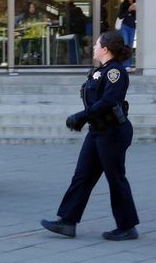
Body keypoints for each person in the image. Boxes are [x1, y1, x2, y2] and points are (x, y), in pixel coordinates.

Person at [40, 30, 139, 241]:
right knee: (82, 176)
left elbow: (108, 102)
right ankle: (67, 222)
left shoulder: (116, 73)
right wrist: (86, 119)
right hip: (97, 130)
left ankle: (127, 226)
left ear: (105, 49)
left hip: (113, 133)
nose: (93, 47)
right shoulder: (100, 71)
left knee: (116, 179)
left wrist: (81, 116)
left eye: (96, 45)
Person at [116, 0, 136, 70]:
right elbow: (120, 16)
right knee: (125, 44)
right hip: (124, 26)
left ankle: (129, 65)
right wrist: (129, 10)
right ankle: (124, 65)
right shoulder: (124, 5)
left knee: (130, 46)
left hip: (133, 27)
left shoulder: (137, 4)